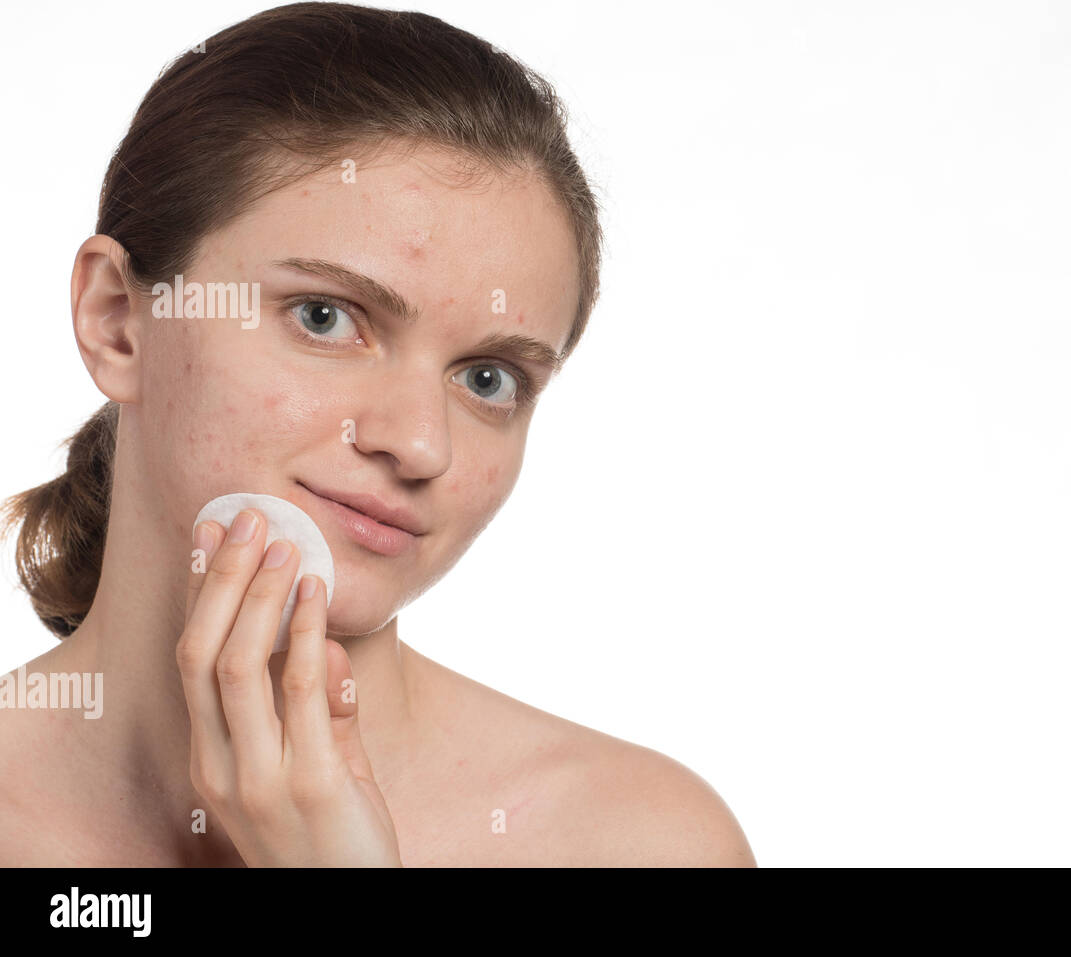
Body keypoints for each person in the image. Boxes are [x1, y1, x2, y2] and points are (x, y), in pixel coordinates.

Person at [0, 1, 755, 867]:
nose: (419, 444)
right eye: (325, 317)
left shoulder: (634, 844)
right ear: (118, 322)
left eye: (488, 379)